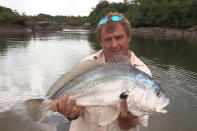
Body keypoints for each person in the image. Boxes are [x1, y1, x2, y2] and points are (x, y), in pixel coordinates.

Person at [50, 12, 152, 131]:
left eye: (119, 37)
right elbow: (78, 110)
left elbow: (131, 125)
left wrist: (127, 118)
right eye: (108, 39)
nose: (114, 45)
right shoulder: (88, 64)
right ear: (100, 42)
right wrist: (71, 113)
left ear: (129, 37)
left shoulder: (142, 74)